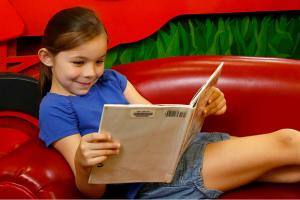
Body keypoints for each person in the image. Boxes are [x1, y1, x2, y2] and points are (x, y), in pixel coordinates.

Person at [38, 6, 300, 199]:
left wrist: (201, 109)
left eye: (99, 60)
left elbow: (157, 119)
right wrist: (85, 164)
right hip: (154, 182)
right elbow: (92, 192)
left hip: (185, 151)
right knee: (287, 140)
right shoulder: (54, 107)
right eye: (78, 62)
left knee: (291, 170)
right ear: (47, 58)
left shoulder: (112, 80)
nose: (91, 73)